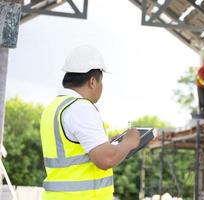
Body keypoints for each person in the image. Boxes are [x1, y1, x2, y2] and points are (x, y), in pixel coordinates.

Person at [40, 45, 140, 200]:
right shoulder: (80, 107)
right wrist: (129, 142)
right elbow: (105, 159)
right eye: (101, 82)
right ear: (92, 81)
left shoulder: (55, 107)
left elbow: (74, 153)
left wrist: (107, 144)